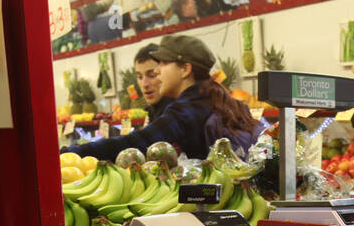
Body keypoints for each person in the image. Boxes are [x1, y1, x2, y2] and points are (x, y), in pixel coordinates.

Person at [64, 35, 258, 162]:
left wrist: (73, 153)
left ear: (185, 69)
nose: (157, 72)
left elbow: (137, 142)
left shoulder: (188, 109)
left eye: (163, 63)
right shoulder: (212, 97)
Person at [133, 43, 173, 118]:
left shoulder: (176, 114)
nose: (145, 84)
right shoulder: (146, 114)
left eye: (152, 75)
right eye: (140, 77)